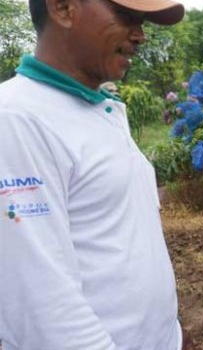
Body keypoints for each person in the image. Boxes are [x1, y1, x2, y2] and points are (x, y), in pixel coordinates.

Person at [0, 0, 188, 349]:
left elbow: (122, 242)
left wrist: (171, 333)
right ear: (63, 8)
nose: (141, 35)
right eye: (128, 16)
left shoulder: (101, 109)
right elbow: (40, 305)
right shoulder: (17, 120)